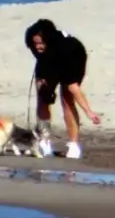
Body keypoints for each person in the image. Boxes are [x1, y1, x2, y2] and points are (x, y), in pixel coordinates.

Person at [25, 19, 100, 160]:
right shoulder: (34, 45)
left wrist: (89, 112)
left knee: (67, 98)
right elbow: (42, 60)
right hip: (49, 60)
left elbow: (73, 86)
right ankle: (44, 139)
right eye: (35, 44)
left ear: (48, 40)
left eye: (41, 43)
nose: (38, 47)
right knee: (43, 96)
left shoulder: (66, 49)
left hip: (74, 58)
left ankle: (74, 144)